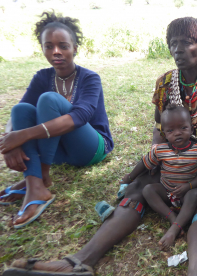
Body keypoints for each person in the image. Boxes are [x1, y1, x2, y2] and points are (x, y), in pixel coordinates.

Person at [5, 17, 197, 276]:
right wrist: (157, 158)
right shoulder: (165, 83)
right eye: (173, 43)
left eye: (187, 42)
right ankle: (78, 263)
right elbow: (159, 129)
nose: (178, 49)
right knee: (138, 187)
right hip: (170, 157)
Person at [0, 11, 113, 228]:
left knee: (49, 100)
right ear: (42, 49)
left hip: (90, 148)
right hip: (58, 152)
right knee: (21, 109)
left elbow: (79, 118)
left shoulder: (90, 78)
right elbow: (19, 117)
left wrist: (22, 136)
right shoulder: (42, 77)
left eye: (63, 45)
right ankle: (35, 184)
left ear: (75, 48)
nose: (56, 52)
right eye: (49, 46)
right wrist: (10, 140)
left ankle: (40, 177)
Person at [123, 104, 197, 249]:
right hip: (166, 191)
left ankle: (175, 228)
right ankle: (172, 217)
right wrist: (130, 177)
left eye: (183, 128)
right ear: (164, 134)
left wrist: (188, 186)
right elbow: (144, 164)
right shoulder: (160, 150)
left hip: (186, 192)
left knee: (194, 194)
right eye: (171, 130)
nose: (177, 133)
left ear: (191, 128)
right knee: (148, 190)